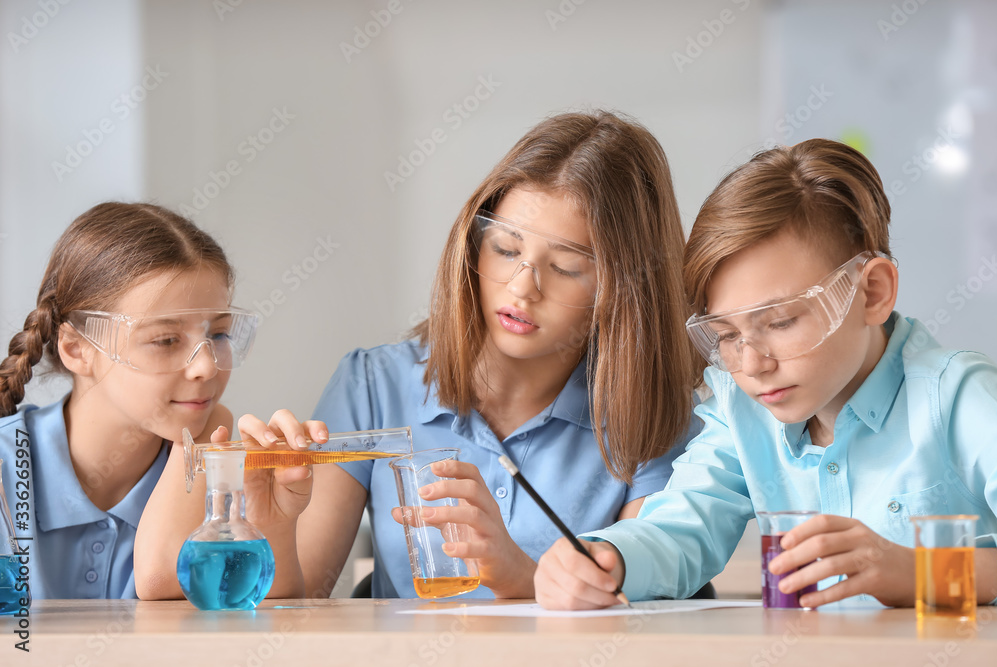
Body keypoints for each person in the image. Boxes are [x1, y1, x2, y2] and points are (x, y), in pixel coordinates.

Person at [136, 110, 703, 600]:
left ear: (625, 287)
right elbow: (303, 594)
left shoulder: (657, 416)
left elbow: (634, 601)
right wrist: (275, 522)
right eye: (505, 249)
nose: (522, 288)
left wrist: (518, 574)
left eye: (566, 267)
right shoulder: (373, 385)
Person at [533, 138, 997, 610]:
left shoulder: (962, 399)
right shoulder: (742, 411)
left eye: (780, 322)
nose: (753, 365)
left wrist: (924, 573)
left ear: (873, 292)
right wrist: (606, 558)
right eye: (727, 335)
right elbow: (680, 528)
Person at [0, 202, 261, 599]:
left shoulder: (228, 483)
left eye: (220, 335)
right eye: (166, 340)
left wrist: (204, 443)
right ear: (75, 348)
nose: (206, 367)